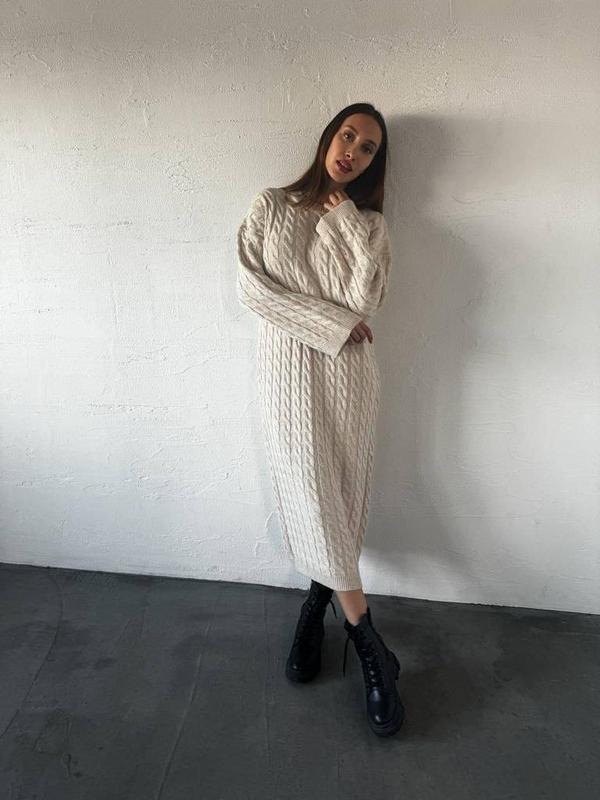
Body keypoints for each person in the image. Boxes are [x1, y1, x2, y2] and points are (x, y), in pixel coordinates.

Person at [236, 103, 404, 736]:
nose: (352, 152)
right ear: (329, 137)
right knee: (311, 494)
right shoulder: (270, 206)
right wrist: (332, 323)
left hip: (350, 382)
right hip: (289, 378)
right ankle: (368, 643)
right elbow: (254, 291)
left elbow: (366, 300)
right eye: (347, 136)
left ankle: (315, 608)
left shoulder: (370, 225)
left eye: (367, 149)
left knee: (339, 497)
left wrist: (344, 223)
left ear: (373, 163)